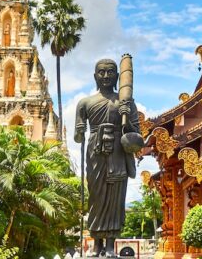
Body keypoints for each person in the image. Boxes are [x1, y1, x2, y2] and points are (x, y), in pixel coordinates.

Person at [74, 59, 141, 258]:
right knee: (96, 198)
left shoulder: (126, 103)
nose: (105, 76)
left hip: (118, 153)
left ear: (117, 76)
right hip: (95, 154)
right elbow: (78, 137)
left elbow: (136, 135)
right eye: (101, 73)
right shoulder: (84, 103)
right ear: (95, 76)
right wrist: (79, 131)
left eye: (110, 72)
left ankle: (111, 244)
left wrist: (126, 118)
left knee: (115, 198)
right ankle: (96, 244)